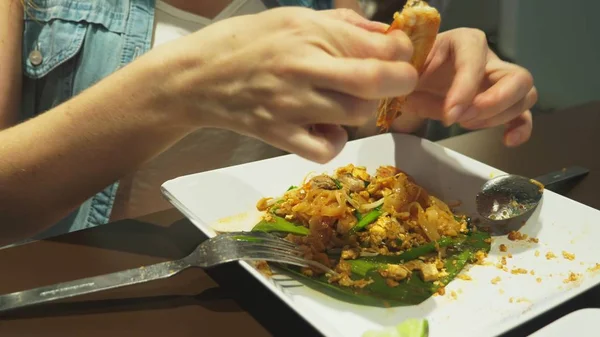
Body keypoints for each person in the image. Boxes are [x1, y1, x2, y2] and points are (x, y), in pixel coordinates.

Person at [0, 0, 536, 246]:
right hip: (92, 293)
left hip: (291, 283)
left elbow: (365, 157)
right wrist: (177, 90)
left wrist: (411, 101)